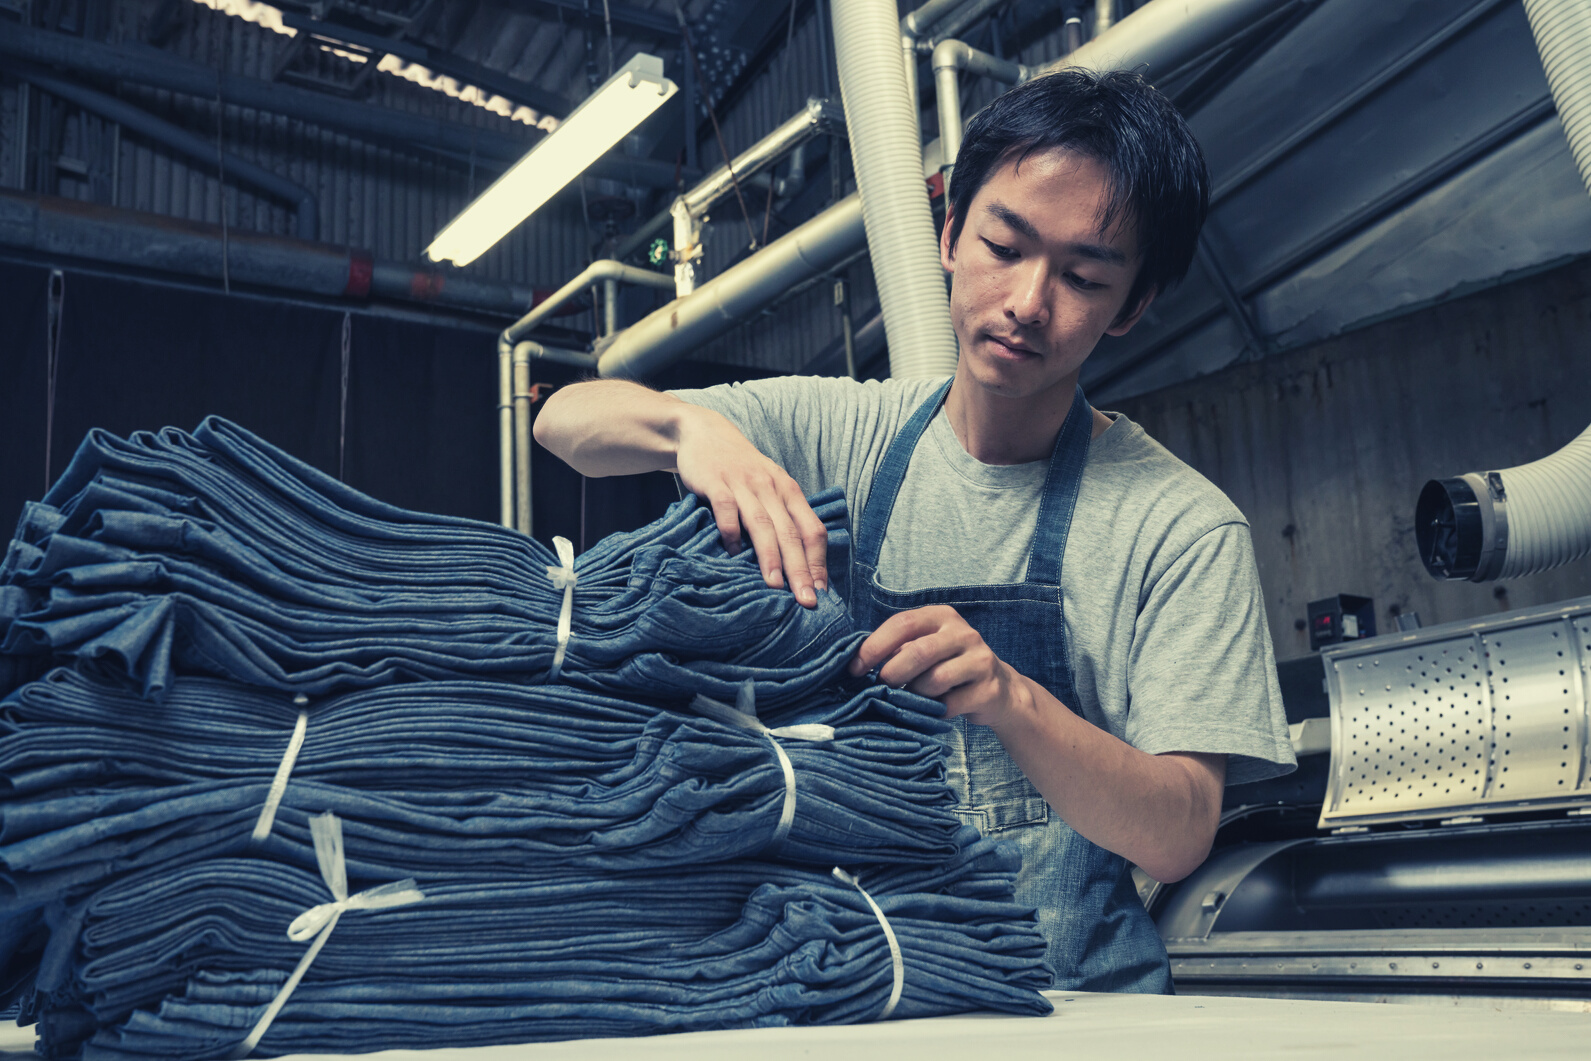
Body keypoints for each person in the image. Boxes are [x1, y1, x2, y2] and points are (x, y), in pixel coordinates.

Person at [534, 69, 1295, 992]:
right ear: (947, 233)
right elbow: (565, 422)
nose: (1026, 300)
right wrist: (688, 430)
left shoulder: (1179, 527)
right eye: (1003, 246)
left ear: (1130, 306)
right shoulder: (841, 432)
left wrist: (1010, 700)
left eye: (1083, 276)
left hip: (1076, 1012)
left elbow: (1178, 834)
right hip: (853, 989)